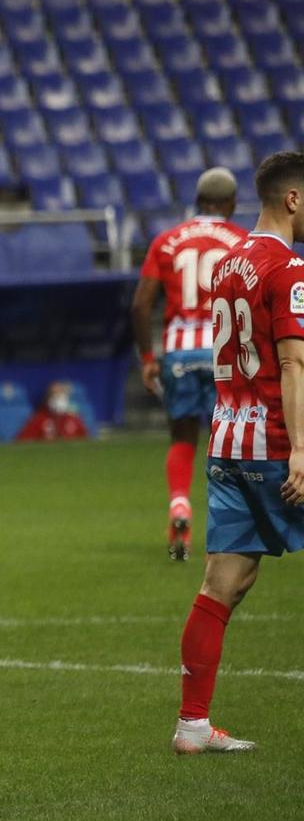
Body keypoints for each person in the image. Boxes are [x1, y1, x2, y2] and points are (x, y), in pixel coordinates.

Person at [171, 150, 304, 755]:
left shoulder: (228, 264)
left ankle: (192, 725)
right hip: (278, 443)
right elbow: (292, 362)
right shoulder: (288, 269)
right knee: (225, 582)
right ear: (292, 200)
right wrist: (300, 448)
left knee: (224, 581)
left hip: (228, 440)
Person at [131, 168, 247, 560]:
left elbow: (141, 303)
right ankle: (231, 523)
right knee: (228, 439)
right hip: (224, 353)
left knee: (182, 437)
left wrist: (149, 358)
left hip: (179, 351)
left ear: (198, 200)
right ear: (231, 203)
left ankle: (179, 504)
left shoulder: (166, 241)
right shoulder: (242, 241)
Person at [16, 381, 89, 442]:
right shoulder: (38, 419)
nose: (59, 399)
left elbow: (86, 442)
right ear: (48, 399)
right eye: (55, 395)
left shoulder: (74, 419)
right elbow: (22, 442)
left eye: (61, 395)